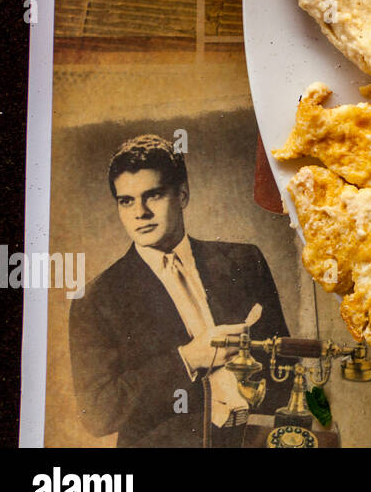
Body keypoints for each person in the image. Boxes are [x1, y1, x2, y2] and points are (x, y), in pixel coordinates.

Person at [69, 134, 289, 447]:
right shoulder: (96, 298)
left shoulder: (245, 261)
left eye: (153, 195)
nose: (140, 212)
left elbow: (286, 365)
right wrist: (188, 359)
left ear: (182, 195)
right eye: (126, 200)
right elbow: (97, 413)